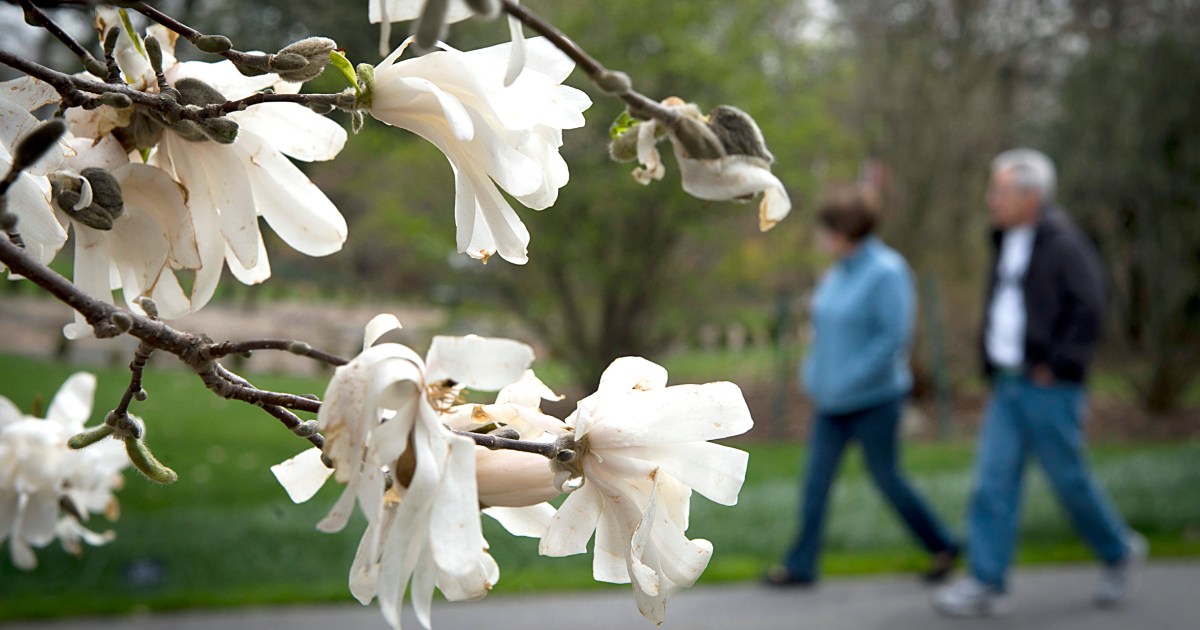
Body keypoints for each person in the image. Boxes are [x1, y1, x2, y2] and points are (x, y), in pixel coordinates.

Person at [933, 149, 1147, 617]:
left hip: (1048, 387)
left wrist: (1057, 364)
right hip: (1007, 386)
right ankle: (987, 582)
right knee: (992, 483)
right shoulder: (1004, 238)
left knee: (1069, 481)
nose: (992, 200)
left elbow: (1090, 307)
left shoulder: (1064, 242)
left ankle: (1118, 552)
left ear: (1032, 196)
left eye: (1001, 191)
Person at [766, 186, 959, 588]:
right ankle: (801, 566)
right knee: (815, 483)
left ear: (846, 231)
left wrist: (847, 379)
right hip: (830, 403)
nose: (821, 238)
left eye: (826, 230)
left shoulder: (888, 272)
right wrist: (813, 374)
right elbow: (823, 331)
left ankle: (942, 544)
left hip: (875, 401)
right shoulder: (836, 272)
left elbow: (893, 340)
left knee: (887, 478)